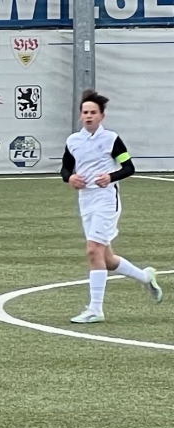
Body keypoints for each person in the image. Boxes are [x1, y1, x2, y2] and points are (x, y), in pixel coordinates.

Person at [64, 90, 161, 322]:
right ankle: (145, 277)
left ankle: (95, 310)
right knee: (106, 259)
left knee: (93, 250)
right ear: (80, 115)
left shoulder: (111, 139)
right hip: (86, 201)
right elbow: (65, 168)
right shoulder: (73, 141)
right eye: (85, 112)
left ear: (102, 116)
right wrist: (70, 178)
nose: (89, 116)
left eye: (93, 112)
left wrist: (110, 177)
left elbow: (129, 167)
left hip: (106, 200)